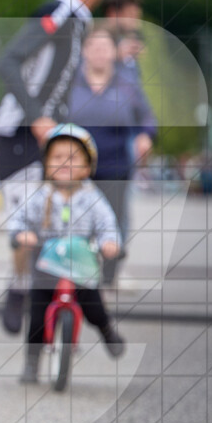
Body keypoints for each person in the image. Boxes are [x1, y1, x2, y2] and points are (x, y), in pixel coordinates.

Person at [0, 0, 110, 334]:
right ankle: (19, 289)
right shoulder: (58, 14)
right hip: (20, 134)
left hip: (54, 137)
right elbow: (8, 60)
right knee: (27, 226)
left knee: (62, 217)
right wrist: (35, 114)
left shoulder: (80, 22)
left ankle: (56, 300)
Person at [9, 124, 125, 383]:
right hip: (46, 264)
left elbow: (107, 224)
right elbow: (20, 219)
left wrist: (110, 243)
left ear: (87, 167)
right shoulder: (39, 195)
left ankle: (107, 330)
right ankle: (32, 362)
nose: (64, 164)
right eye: (57, 158)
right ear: (47, 164)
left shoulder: (92, 198)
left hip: (81, 261)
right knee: (37, 315)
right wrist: (21, 235)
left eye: (73, 158)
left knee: (93, 306)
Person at [67, 27, 156, 285]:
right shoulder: (71, 82)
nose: (99, 53)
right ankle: (77, 270)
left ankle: (109, 274)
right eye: (94, 47)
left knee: (114, 219)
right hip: (77, 164)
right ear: (84, 51)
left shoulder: (127, 85)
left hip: (115, 161)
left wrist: (145, 135)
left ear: (113, 53)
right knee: (75, 217)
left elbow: (147, 116)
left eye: (104, 47)